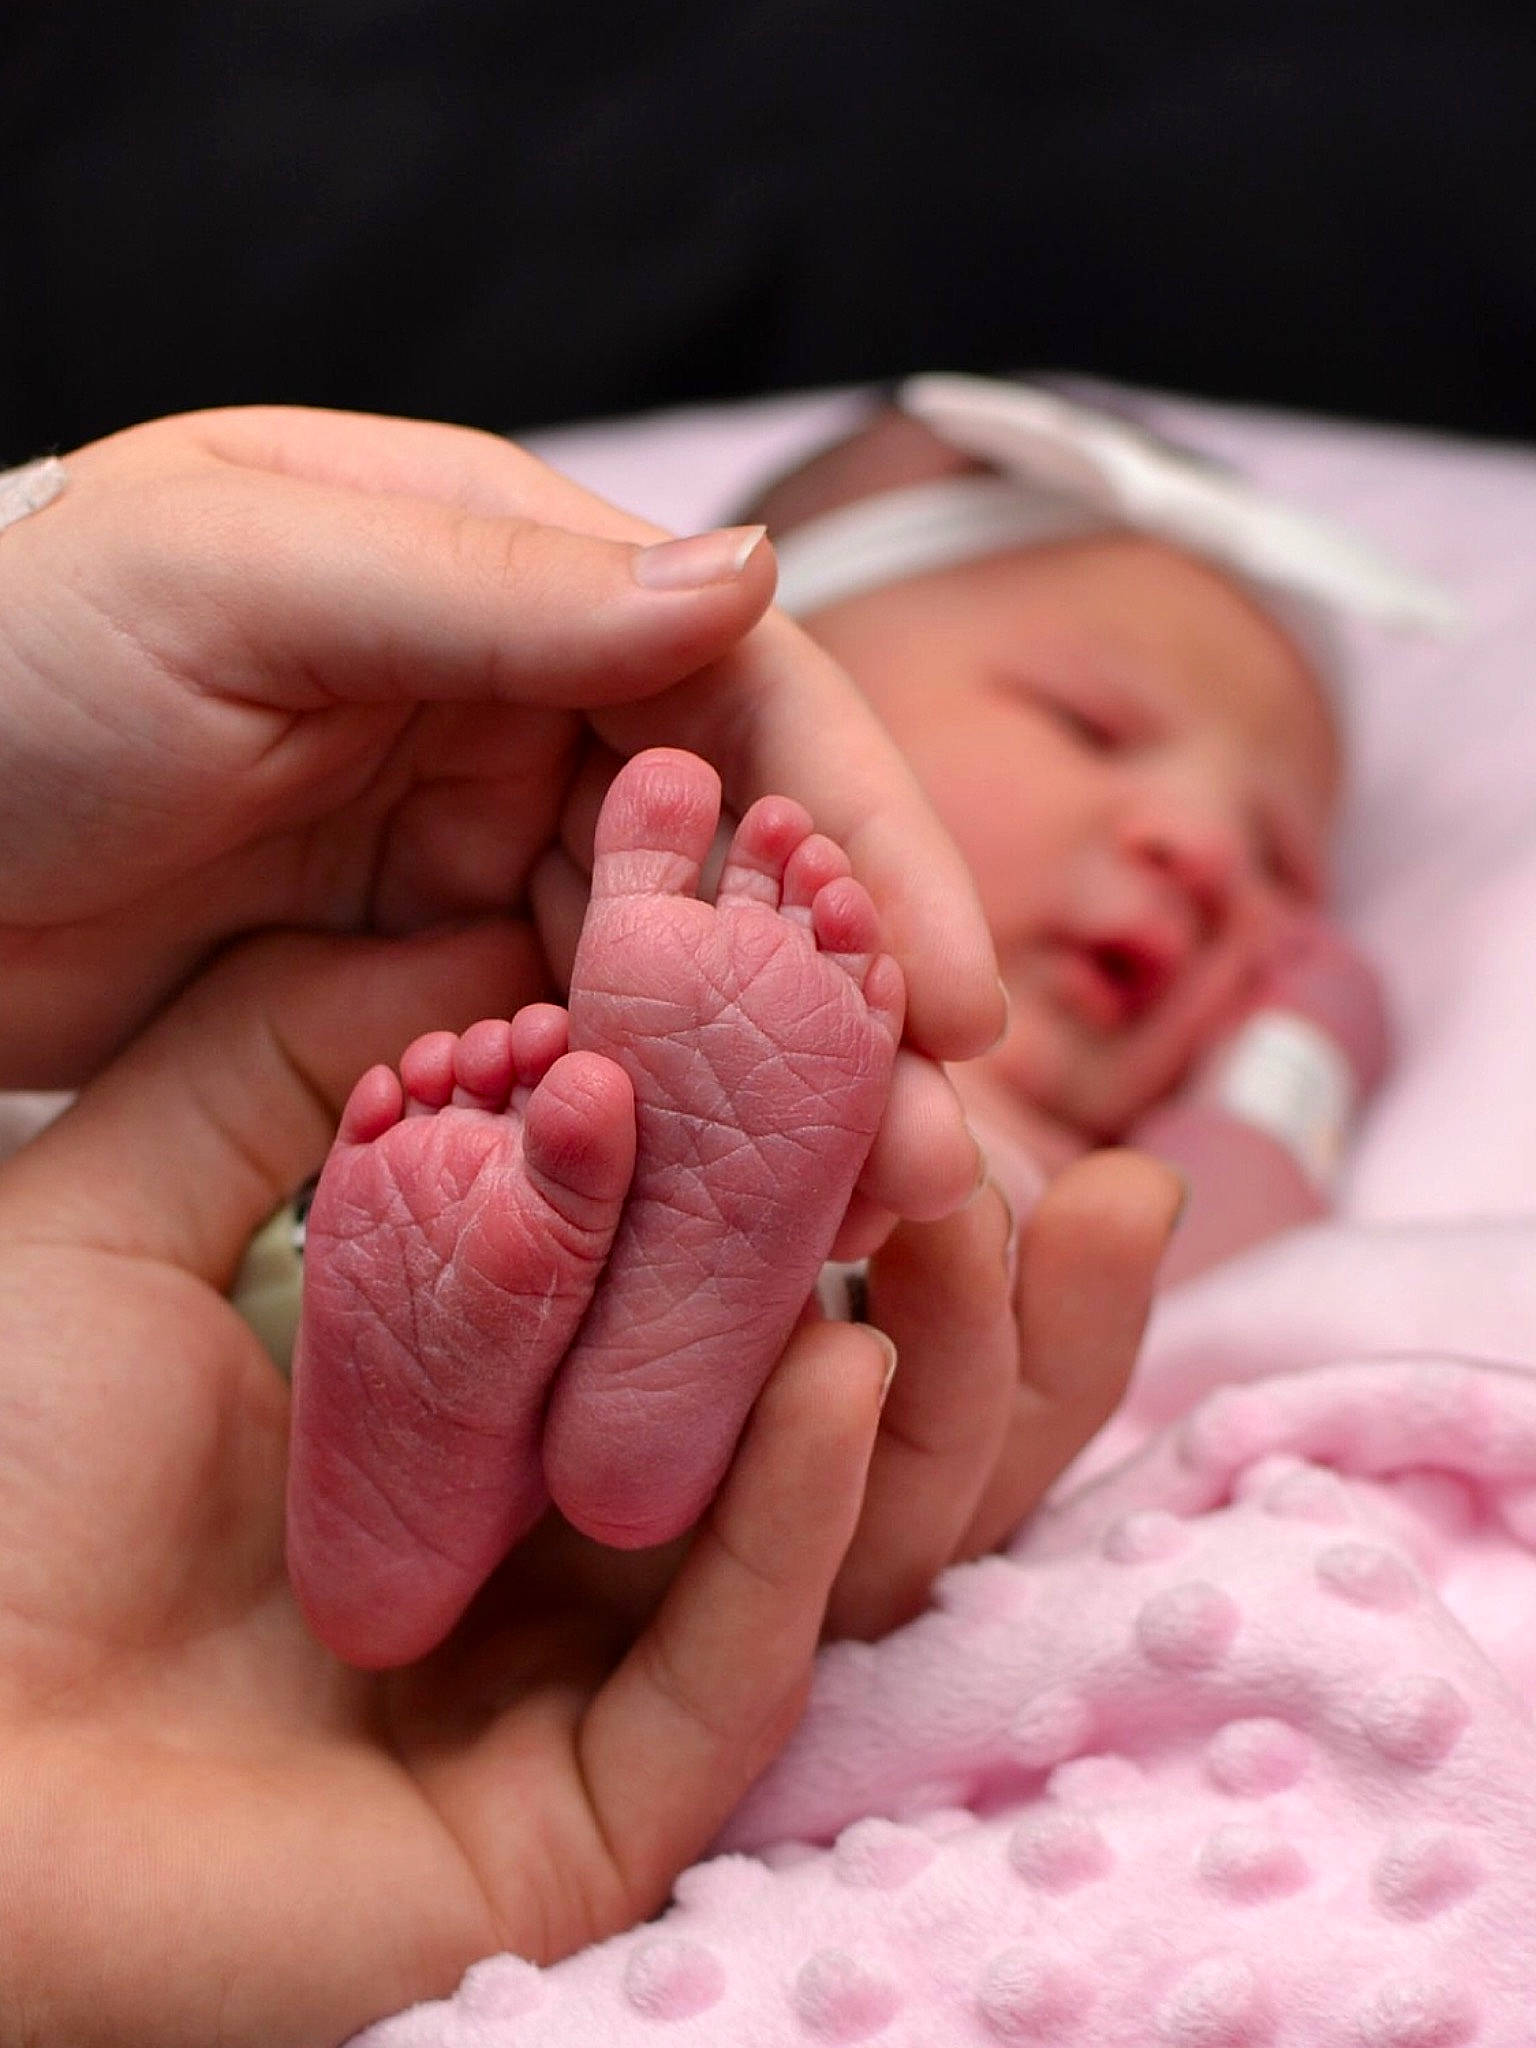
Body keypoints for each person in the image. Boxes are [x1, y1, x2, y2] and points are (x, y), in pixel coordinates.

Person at [286, 377, 1439, 1678]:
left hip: (712, 1360)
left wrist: (1286, 1050)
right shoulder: (574, 860)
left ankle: (494, 1376)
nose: (1205, 856)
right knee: (625, 1076)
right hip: (499, 1162)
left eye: (1283, 868)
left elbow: (1223, 1257)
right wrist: (1301, 1072)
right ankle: (528, 1307)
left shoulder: (1060, 1151)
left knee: (1012, 1234)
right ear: (777, 683)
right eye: (1092, 727)